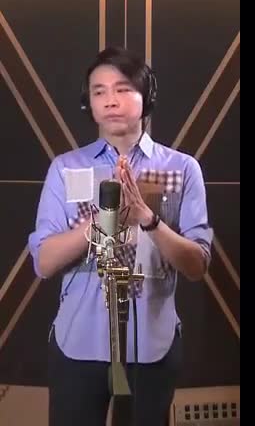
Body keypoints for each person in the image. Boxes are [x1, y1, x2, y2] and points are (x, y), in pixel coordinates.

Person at [28, 46, 213, 426]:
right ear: (88, 102)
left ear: (147, 97)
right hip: (78, 344)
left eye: (123, 88)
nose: (110, 100)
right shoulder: (65, 168)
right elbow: (44, 262)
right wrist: (105, 220)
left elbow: (197, 265)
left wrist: (148, 219)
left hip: (152, 348)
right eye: (99, 91)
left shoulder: (182, 168)